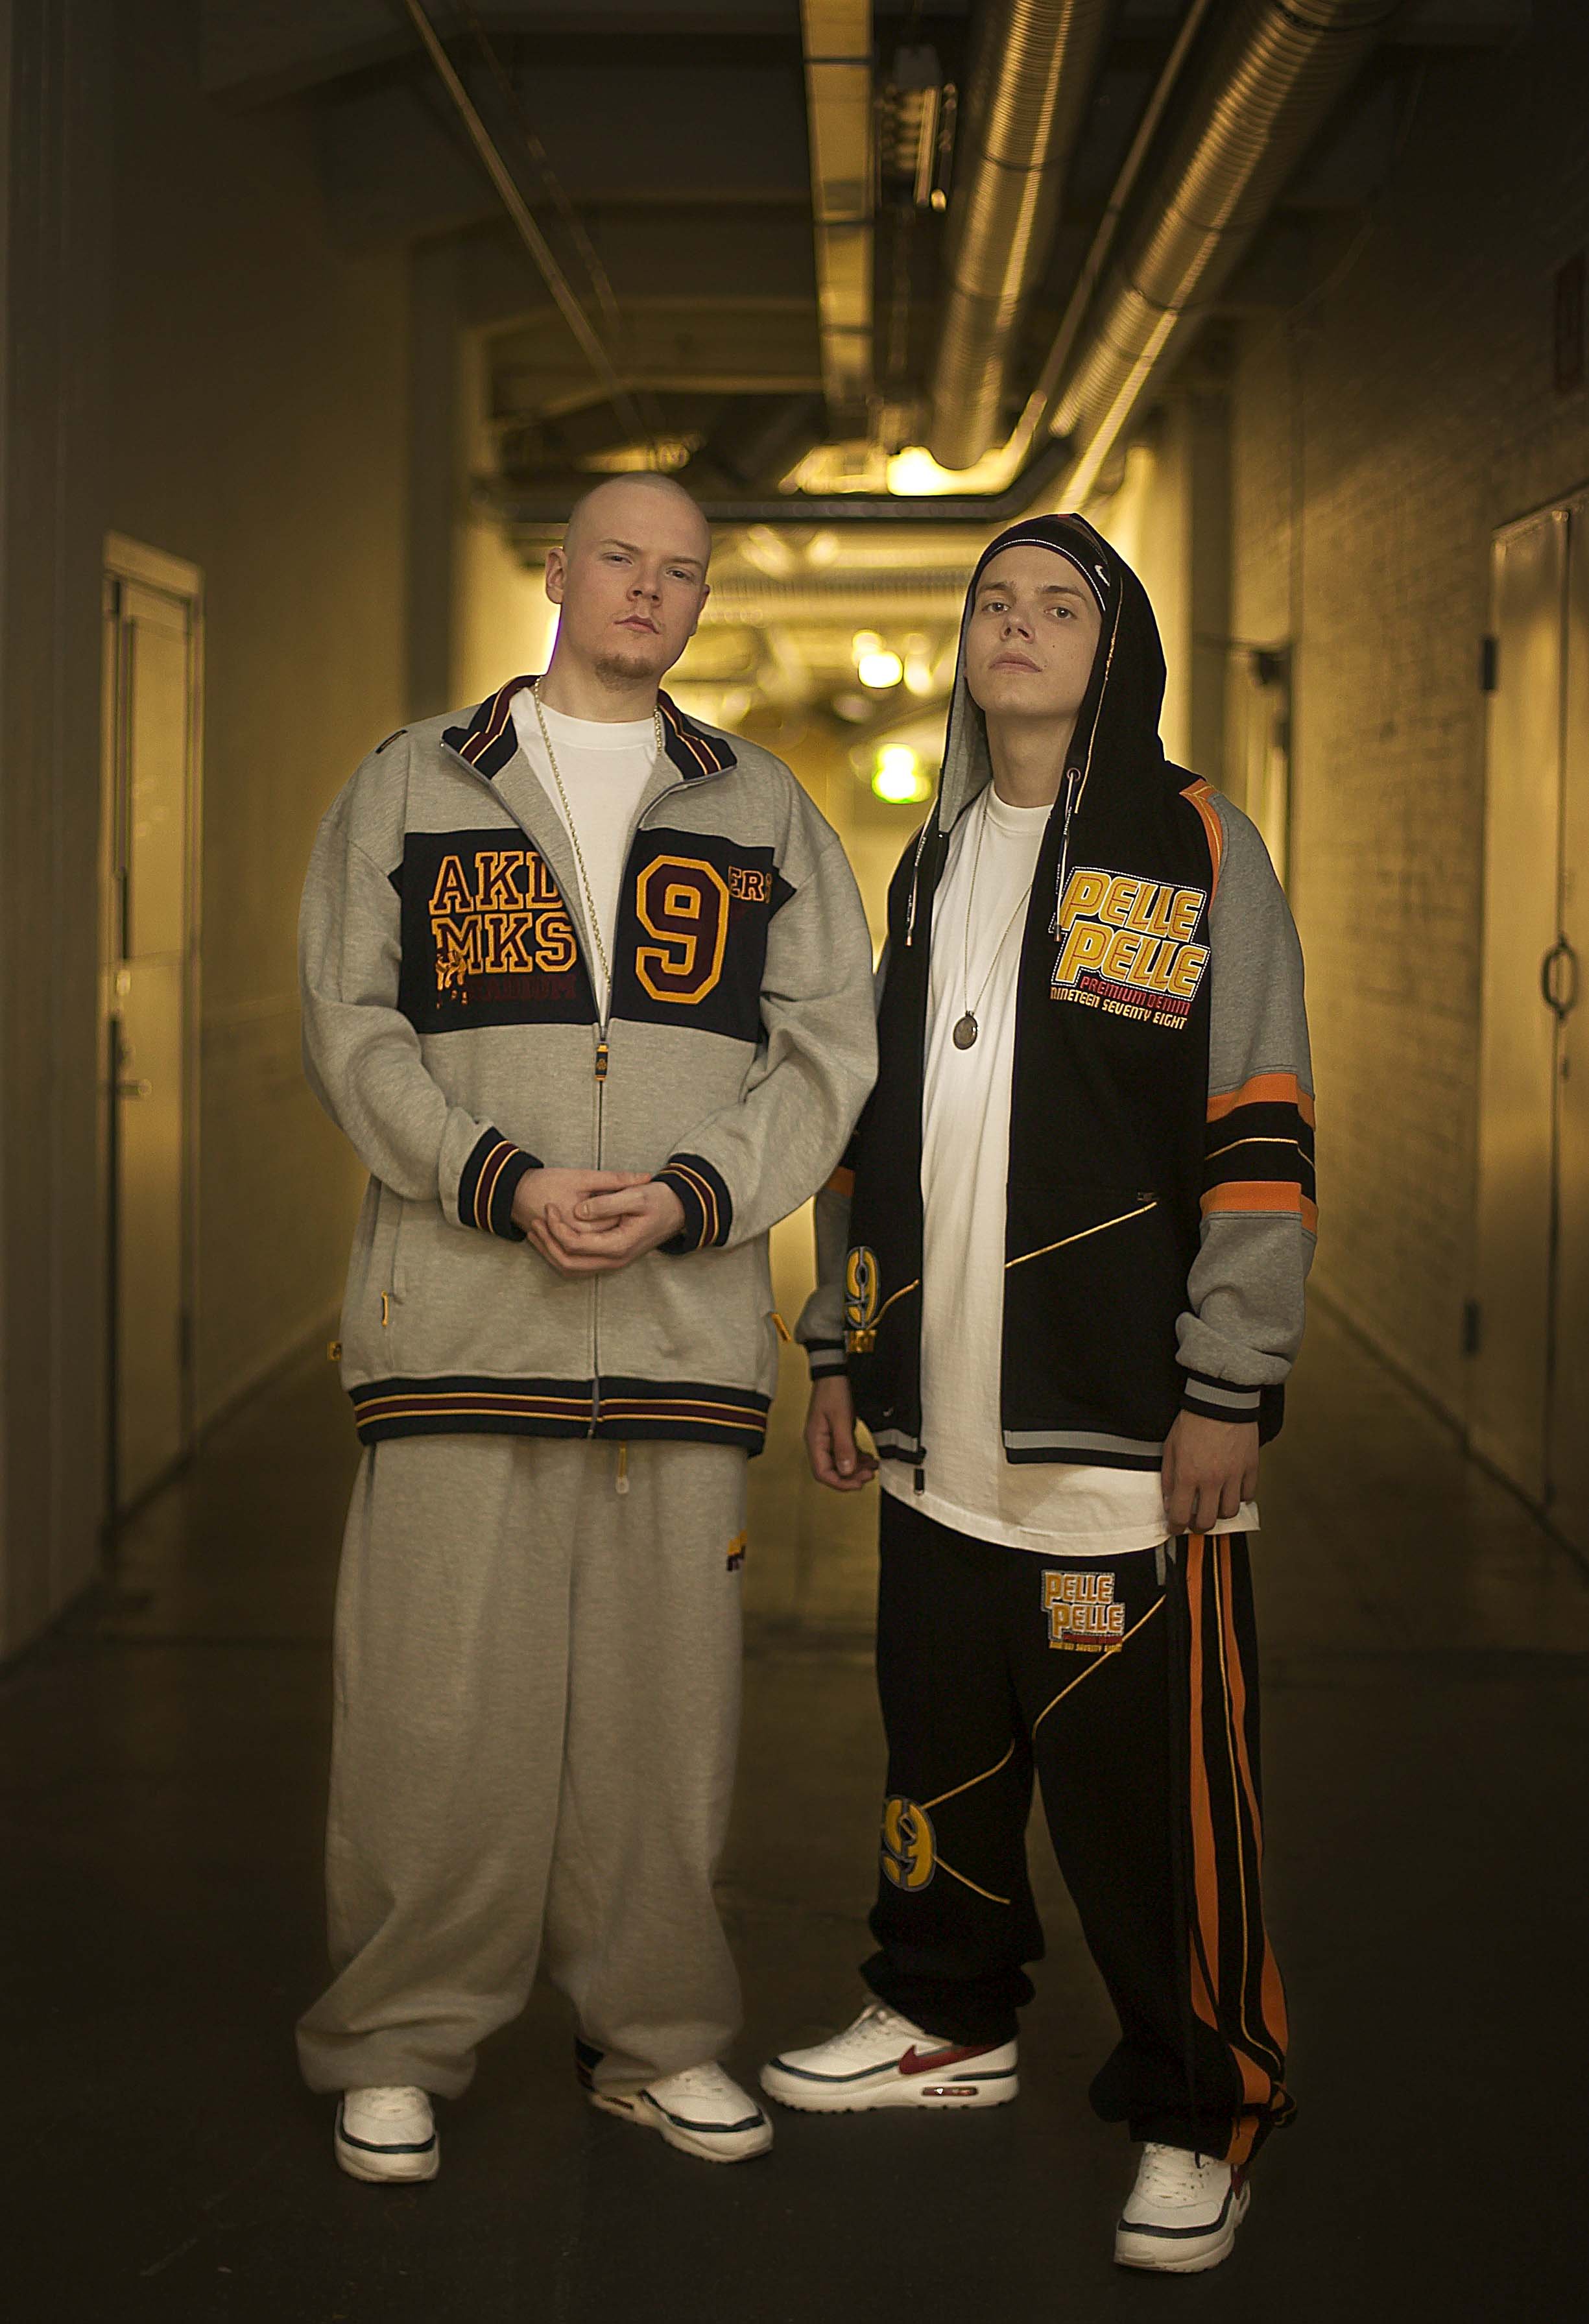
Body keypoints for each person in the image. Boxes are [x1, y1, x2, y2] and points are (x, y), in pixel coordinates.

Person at [295, 472, 876, 2182]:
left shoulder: (761, 807)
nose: (647, 590)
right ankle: (396, 2042)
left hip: (677, 1332)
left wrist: (700, 1192)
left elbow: (828, 1051)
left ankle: (659, 2038)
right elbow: (350, 1025)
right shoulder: (416, 782)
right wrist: (493, 1177)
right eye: (620, 558)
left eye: (681, 572)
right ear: (557, 572)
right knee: (430, 1715)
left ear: (699, 603)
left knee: (662, 1724)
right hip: (459, 1317)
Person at [764, 513, 1313, 2275]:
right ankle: (945, 2018)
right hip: (938, 1433)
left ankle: (1199, 2108)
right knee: (943, 1759)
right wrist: (839, 1344)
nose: (1015, 626)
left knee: (1149, 1809)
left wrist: (1229, 1380)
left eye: (1056, 604)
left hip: (1121, 1432)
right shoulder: (928, 861)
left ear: (1112, 645)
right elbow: (870, 1131)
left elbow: (1257, 1124)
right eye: (991, 602)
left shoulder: (1197, 846)